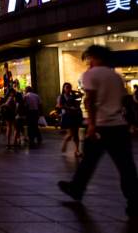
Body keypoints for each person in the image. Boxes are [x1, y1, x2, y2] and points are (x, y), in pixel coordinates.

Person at [58, 45, 138, 217]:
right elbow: (126, 101)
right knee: (126, 166)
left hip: (101, 126)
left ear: (94, 57)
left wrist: (92, 125)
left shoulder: (90, 74)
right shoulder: (116, 76)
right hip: (119, 127)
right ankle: (134, 201)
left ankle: (77, 188)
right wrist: (132, 123)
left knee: (89, 161)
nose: (88, 62)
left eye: (89, 58)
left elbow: (90, 100)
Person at [58, 82, 82, 156]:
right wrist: (69, 108)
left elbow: (81, 95)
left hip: (75, 115)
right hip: (68, 116)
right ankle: (65, 143)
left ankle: (77, 150)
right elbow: (60, 105)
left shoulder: (73, 95)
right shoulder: (62, 96)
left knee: (76, 134)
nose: (69, 88)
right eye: (67, 87)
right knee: (71, 133)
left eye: (70, 87)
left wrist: (74, 91)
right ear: (64, 88)